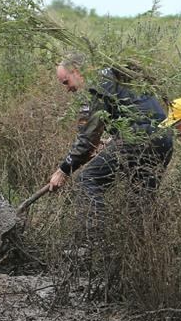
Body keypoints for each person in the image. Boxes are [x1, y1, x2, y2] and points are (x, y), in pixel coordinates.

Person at [48, 53, 174, 237]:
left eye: (66, 82)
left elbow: (87, 138)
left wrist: (63, 170)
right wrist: (113, 141)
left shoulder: (96, 84)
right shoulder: (114, 75)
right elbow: (137, 113)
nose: (67, 89)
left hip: (138, 138)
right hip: (164, 139)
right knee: (140, 199)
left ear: (77, 72)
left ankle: (92, 242)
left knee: (87, 180)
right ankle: (144, 249)